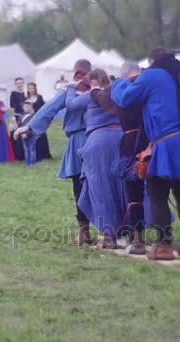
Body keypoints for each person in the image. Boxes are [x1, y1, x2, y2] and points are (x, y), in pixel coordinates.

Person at [112, 48, 180, 260]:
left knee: (158, 193)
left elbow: (126, 99)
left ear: (152, 60)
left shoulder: (151, 75)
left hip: (166, 141)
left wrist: (119, 83)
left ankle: (164, 246)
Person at [13, 59, 92, 245]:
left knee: (79, 186)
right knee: (101, 185)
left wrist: (29, 127)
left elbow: (49, 109)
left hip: (79, 142)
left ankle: (84, 232)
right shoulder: (98, 87)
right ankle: (112, 232)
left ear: (75, 71)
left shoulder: (70, 90)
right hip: (99, 139)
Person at [66, 69, 126, 249]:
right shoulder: (116, 93)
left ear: (92, 81)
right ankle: (131, 232)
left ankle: (109, 235)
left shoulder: (92, 95)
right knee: (123, 187)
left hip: (99, 143)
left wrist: (71, 88)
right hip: (121, 140)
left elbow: (71, 105)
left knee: (101, 188)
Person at [92, 61, 148, 255]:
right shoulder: (150, 85)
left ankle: (139, 240)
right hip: (159, 141)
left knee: (135, 193)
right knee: (160, 190)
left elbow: (100, 98)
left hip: (132, 144)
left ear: (124, 74)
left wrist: (94, 91)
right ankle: (165, 239)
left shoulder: (121, 87)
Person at [26, 82, 53, 161]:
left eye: (32, 88)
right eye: (29, 88)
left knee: (41, 137)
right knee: (32, 137)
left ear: (35, 88)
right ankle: (35, 155)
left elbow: (43, 108)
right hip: (30, 120)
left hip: (38, 119)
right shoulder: (26, 98)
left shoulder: (39, 97)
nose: (31, 90)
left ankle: (44, 155)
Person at [9, 78, 26, 161]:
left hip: (25, 117)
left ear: (23, 84)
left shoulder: (25, 94)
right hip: (17, 117)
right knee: (15, 135)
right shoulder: (13, 94)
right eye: (18, 83)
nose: (19, 85)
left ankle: (23, 154)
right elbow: (13, 105)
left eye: (21, 83)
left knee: (24, 134)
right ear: (15, 84)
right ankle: (16, 155)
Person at [19, 102, 37, 166]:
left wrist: (27, 134)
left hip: (32, 135)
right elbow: (20, 126)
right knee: (26, 150)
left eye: (28, 107)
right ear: (23, 107)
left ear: (31, 107)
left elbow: (33, 127)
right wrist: (21, 133)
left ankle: (32, 163)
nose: (27, 108)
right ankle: (27, 163)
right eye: (25, 106)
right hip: (23, 135)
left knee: (32, 149)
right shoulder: (21, 116)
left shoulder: (33, 116)